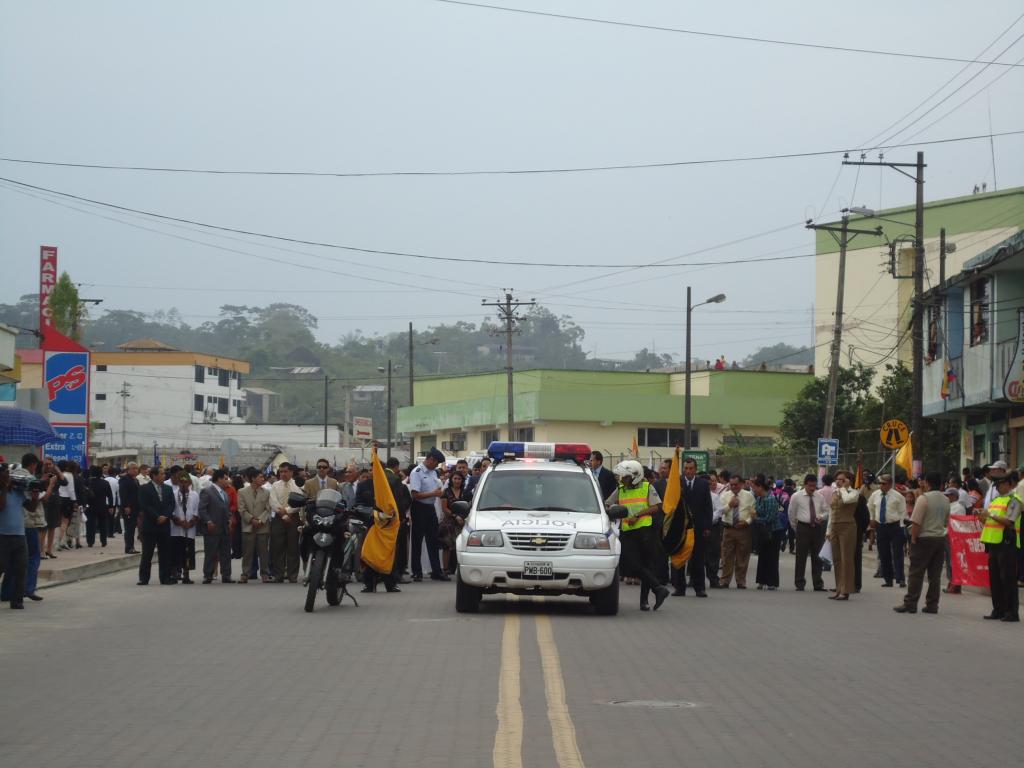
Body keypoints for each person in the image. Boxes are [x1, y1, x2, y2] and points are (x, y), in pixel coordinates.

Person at [605, 459, 669, 611]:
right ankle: (659, 588)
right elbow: (608, 503)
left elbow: (655, 507)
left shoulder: (647, 487)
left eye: (625, 477)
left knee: (646, 565)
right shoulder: (621, 489)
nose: (622, 479)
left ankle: (644, 601)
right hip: (628, 532)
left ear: (635, 476)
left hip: (645, 532)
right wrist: (612, 509)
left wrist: (637, 515)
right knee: (631, 565)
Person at [894, 472, 950, 615]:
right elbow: (946, 521)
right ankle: (932, 605)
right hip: (940, 538)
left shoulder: (923, 499)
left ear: (926, 482)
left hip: (924, 538)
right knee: (935, 575)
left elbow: (916, 522)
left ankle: (910, 603)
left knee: (916, 573)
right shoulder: (945, 499)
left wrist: (913, 539)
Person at [976, 474, 1020, 622]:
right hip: (992, 542)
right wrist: (982, 517)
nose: (997, 487)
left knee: (1007, 578)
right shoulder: (995, 500)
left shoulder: (1014, 500)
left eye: (1000, 484)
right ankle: (998, 609)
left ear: (1008, 484)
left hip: (1006, 542)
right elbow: (989, 520)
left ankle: (1011, 612)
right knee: (994, 578)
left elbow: (1009, 521)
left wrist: (991, 514)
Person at [408, 448, 448, 582]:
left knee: (433, 540)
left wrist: (438, 493)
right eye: (436, 463)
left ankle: (436, 571)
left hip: (430, 508)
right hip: (419, 508)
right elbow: (415, 495)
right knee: (417, 541)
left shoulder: (433, 473)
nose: (436, 466)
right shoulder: (417, 473)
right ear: (431, 459)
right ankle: (417, 571)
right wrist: (433, 494)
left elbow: (434, 490)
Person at [674, 458, 711, 597]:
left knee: (698, 559)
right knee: (680, 558)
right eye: (686, 468)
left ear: (695, 469)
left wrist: (707, 526)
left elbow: (708, 506)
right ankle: (679, 588)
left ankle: (699, 588)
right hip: (681, 528)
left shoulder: (703, 484)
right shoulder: (677, 483)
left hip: (698, 528)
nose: (688, 471)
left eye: (691, 468)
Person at [868, 474, 907, 588]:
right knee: (884, 554)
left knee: (898, 554)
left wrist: (901, 526)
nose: (881, 485)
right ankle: (888, 579)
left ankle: (900, 579)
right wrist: (872, 518)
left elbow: (902, 512)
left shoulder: (898, 496)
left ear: (890, 484)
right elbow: (870, 507)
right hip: (881, 526)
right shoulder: (875, 495)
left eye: (884, 483)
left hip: (895, 526)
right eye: (880, 483)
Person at [826, 470, 860, 601]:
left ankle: (846, 590)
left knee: (847, 559)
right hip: (835, 526)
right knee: (837, 559)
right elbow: (831, 511)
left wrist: (845, 488)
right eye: (837, 479)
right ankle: (839, 588)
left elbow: (846, 501)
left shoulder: (853, 493)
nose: (838, 481)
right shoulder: (835, 492)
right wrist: (828, 531)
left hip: (847, 526)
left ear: (848, 481)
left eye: (842, 479)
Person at [789, 475, 827, 592]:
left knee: (817, 557)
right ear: (805, 485)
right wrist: (796, 528)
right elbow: (791, 513)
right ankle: (799, 583)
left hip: (817, 528)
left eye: (814, 486)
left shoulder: (820, 496)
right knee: (801, 557)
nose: (812, 488)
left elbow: (826, 511)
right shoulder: (796, 496)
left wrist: (822, 517)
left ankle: (818, 584)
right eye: (810, 486)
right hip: (803, 527)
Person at [137, 466, 174, 586]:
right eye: (162, 474)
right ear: (154, 475)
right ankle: (144, 578)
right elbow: (145, 505)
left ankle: (165, 578)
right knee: (147, 553)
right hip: (150, 525)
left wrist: (165, 516)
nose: (164, 476)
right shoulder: (144, 489)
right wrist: (157, 517)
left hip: (164, 525)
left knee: (165, 553)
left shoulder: (168, 489)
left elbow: (171, 505)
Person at [268, 463, 303, 583]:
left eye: (285, 471)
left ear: (291, 472)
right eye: (281, 471)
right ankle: (279, 574)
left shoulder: (297, 485)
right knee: (278, 547)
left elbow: (300, 502)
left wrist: (288, 511)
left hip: (293, 518)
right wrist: (282, 514)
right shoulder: (275, 485)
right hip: (278, 518)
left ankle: (292, 575)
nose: (282, 474)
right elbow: (272, 501)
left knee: (293, 547)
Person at [198, 469, 234, 584]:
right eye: (225, 478)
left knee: (226, 553)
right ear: (219, 479)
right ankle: (208, 575)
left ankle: (226, 575)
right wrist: (208, 521)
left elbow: (227, 509)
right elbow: (202, 509)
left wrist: (230, 519)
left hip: (224, 528)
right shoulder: (207, 491)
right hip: (212, 527)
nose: (227, 480)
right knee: (210, 552)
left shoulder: (225, 493)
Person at [0, 463, 28, 609]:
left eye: (8, 473)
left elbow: (31, 507)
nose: (8, 476)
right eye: (5, 473)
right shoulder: (2, 490)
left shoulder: (17, 491)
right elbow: (2, 506)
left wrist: (35, 493)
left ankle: (17, 600)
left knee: (21, 569)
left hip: (19, 536)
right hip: (2, 536)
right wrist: (4, 486)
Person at [238, 470, 271, 583]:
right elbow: (241, 509)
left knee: (263, 552)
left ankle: (265, 574)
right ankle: (245, 574)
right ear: (253, 478)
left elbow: (268, 509)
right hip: (248, 526)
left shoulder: (266, 492)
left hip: (262, 526)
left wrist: (261, 520)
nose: (263, 479)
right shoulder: (242, 492)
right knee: (247, 552)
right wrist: (252, 520)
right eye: (260, 477)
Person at [751, 476, 781, 590]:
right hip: (762, 531)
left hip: (773, 531)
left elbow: (770, 518)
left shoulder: (770, 499)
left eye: (754, 487)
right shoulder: (759, 499)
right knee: (762, 556)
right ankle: (761, 580)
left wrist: (756, 518)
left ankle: (772, 582)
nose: (753, 490)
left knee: (772, 557)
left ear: (760, 487)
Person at [169, 472, 199, 584]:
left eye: (185, 482)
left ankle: (186, 573)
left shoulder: (195, 495)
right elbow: (171, 511)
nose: (183, 484)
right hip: (176, 528)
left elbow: (197, 511)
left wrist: (191, 523)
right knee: (176, 551)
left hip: (189, 528)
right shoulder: (173, 493)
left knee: (188, 552)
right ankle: (175, 572)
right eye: (181, 482)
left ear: (189, 483)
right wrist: (179, 521)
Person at [440, 469, 470, 576]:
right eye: (455, 478)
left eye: (459, 479)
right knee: (447, 546)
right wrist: (455, 516)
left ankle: (461, 569)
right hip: (449, 522)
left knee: (461, 546)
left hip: (463, 522)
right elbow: (444, 508)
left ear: (462, 480)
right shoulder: (446, 492)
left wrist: (463, 518)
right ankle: (445, 569)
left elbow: (469, 507)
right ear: (451, 480)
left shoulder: (465, 493)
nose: (457, 481)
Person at [86, 466, 114, 547]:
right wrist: (111, 507)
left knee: (90, 525)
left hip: (90, 506)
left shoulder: (88, 482)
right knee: (103, 524)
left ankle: (90, 541)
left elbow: (84, 494)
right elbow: (110, 496)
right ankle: (103, 541)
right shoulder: (105, 483)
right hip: (102, 506)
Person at [119, 462, 141, 554]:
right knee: (129, 528)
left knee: (132, 528)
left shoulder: (135, 480)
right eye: (133, 468)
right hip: (128, 508)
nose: (135, 470)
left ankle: (131, 547)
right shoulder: (125, 479)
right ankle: (129, 548)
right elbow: (123, 494)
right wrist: (126, 506)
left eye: (136, 468)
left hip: (135, 507)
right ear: (128, 470)